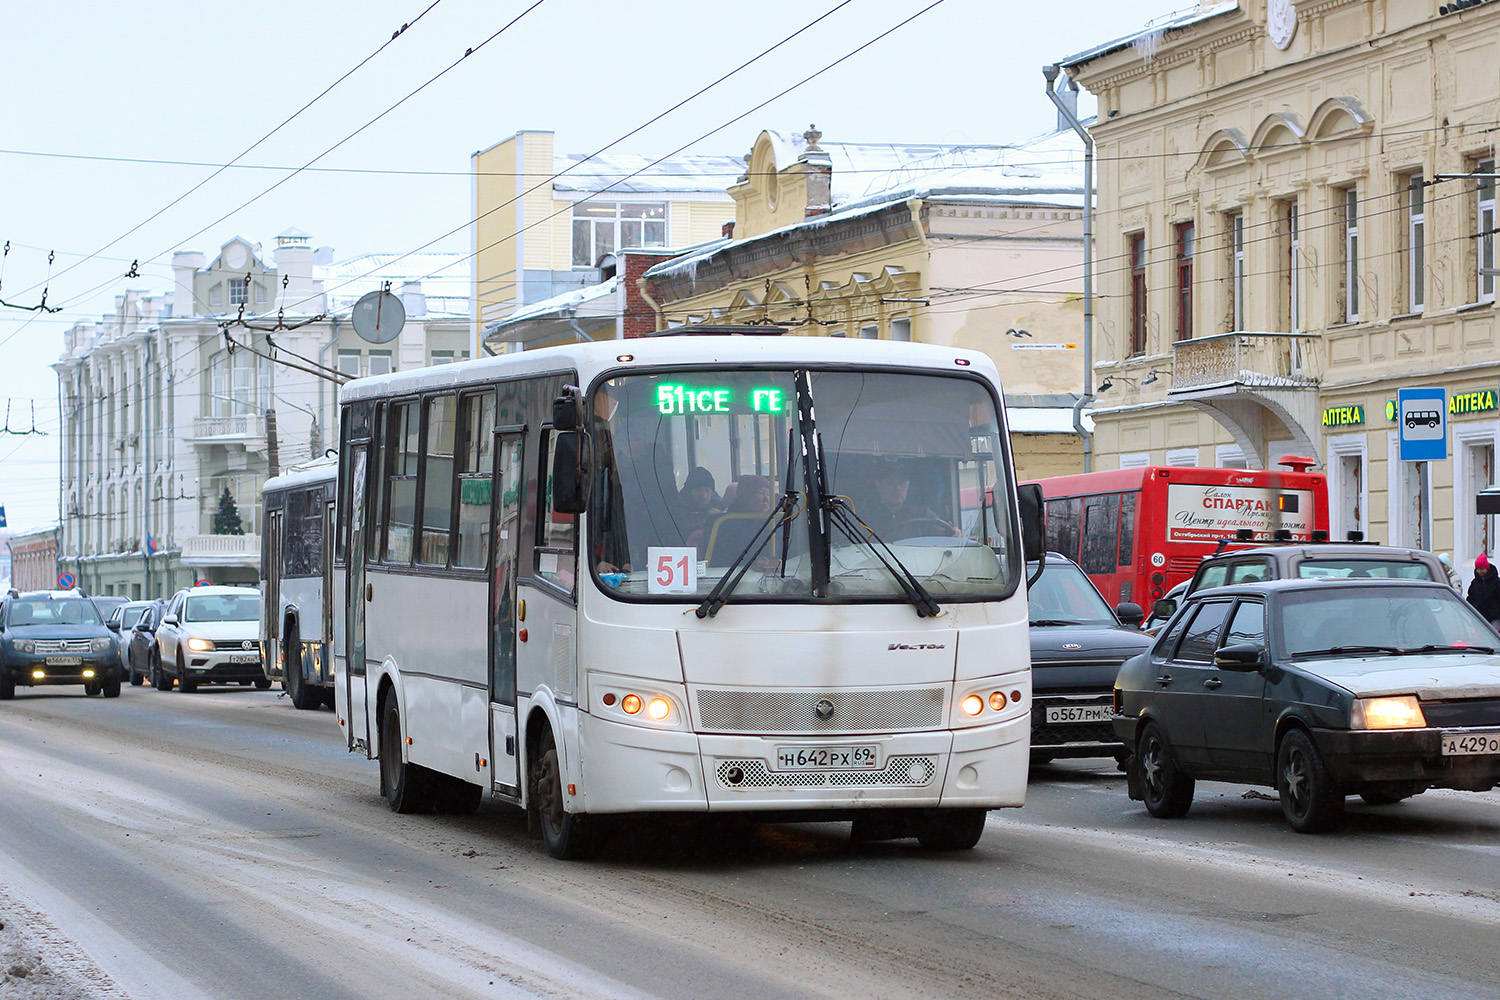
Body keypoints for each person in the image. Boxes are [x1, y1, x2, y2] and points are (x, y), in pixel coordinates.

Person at [858, 460, 957, 540]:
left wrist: (953, 534)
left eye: (902, 483)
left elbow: (942, 538)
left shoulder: (923, 514)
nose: (897, 488)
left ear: (908, 485)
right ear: (878, 485)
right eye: (890, 483)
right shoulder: (865, 518)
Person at [675, 466, 722, 537]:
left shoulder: (719, 507)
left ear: (712, 492)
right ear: (689, 493)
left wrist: (720, 518)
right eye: (698, 491)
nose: (703, 495)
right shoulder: (676, 510)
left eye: (707, 491)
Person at [1467, 554, 1500, 630]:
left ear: (1487, 568)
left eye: (1481, 569)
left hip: (1494, 616)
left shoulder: (1496, 582)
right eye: (1477, 569)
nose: (1479, 571)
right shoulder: (1475, 583)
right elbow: (1470, 598)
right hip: (1479, 616)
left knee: (1493, 636)